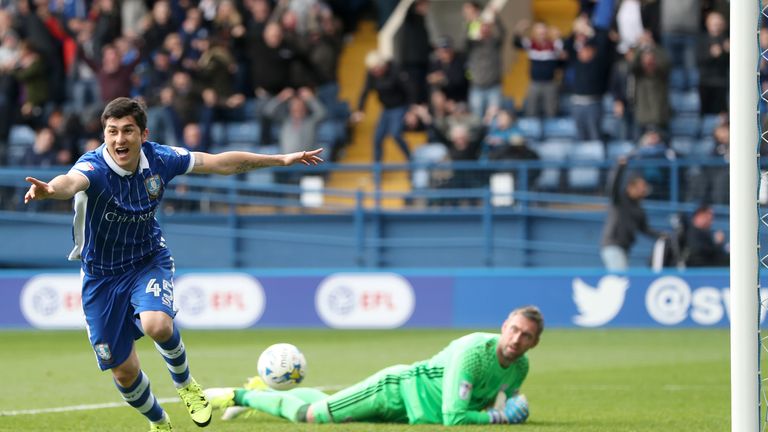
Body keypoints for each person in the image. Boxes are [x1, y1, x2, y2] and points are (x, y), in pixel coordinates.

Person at [22, 97, 323, 432]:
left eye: (127, 131)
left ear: (143, 134)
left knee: (157, 325)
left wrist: (280, 159)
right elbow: (70, 182)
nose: (119, 139)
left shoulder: (160, 158)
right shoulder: (92, 168)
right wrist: (50, 189)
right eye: (112, 132)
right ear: (103, 134)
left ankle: (186, 385)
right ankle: (160, 422)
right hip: (100, 277)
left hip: (147, 261)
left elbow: (219, 163)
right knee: (122, 370)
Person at [205, 305, 543, 426]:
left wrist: (514, 408)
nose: (516, 339)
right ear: (503, 327)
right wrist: (501, 418)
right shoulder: (473, 350)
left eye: (525, 336)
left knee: (319, 406)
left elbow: (497, 402)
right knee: (310, 416)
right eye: (513, 329)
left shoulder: (520, 367)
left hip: (415, 413)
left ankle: (264, 390)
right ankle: (239, 395)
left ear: (533, 343)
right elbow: (455, 416)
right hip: (394, 392)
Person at [601, 156, 664, 272]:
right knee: (620, 277)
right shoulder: (619, 200)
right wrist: (620, 167)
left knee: (622, 276)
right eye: (640, 187)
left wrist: (662, 235)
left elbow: (645, 229)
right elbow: (613, 186)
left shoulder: (639, 208)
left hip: (625, 248)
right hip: (613, 245)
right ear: (630, 187)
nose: (643, 190)